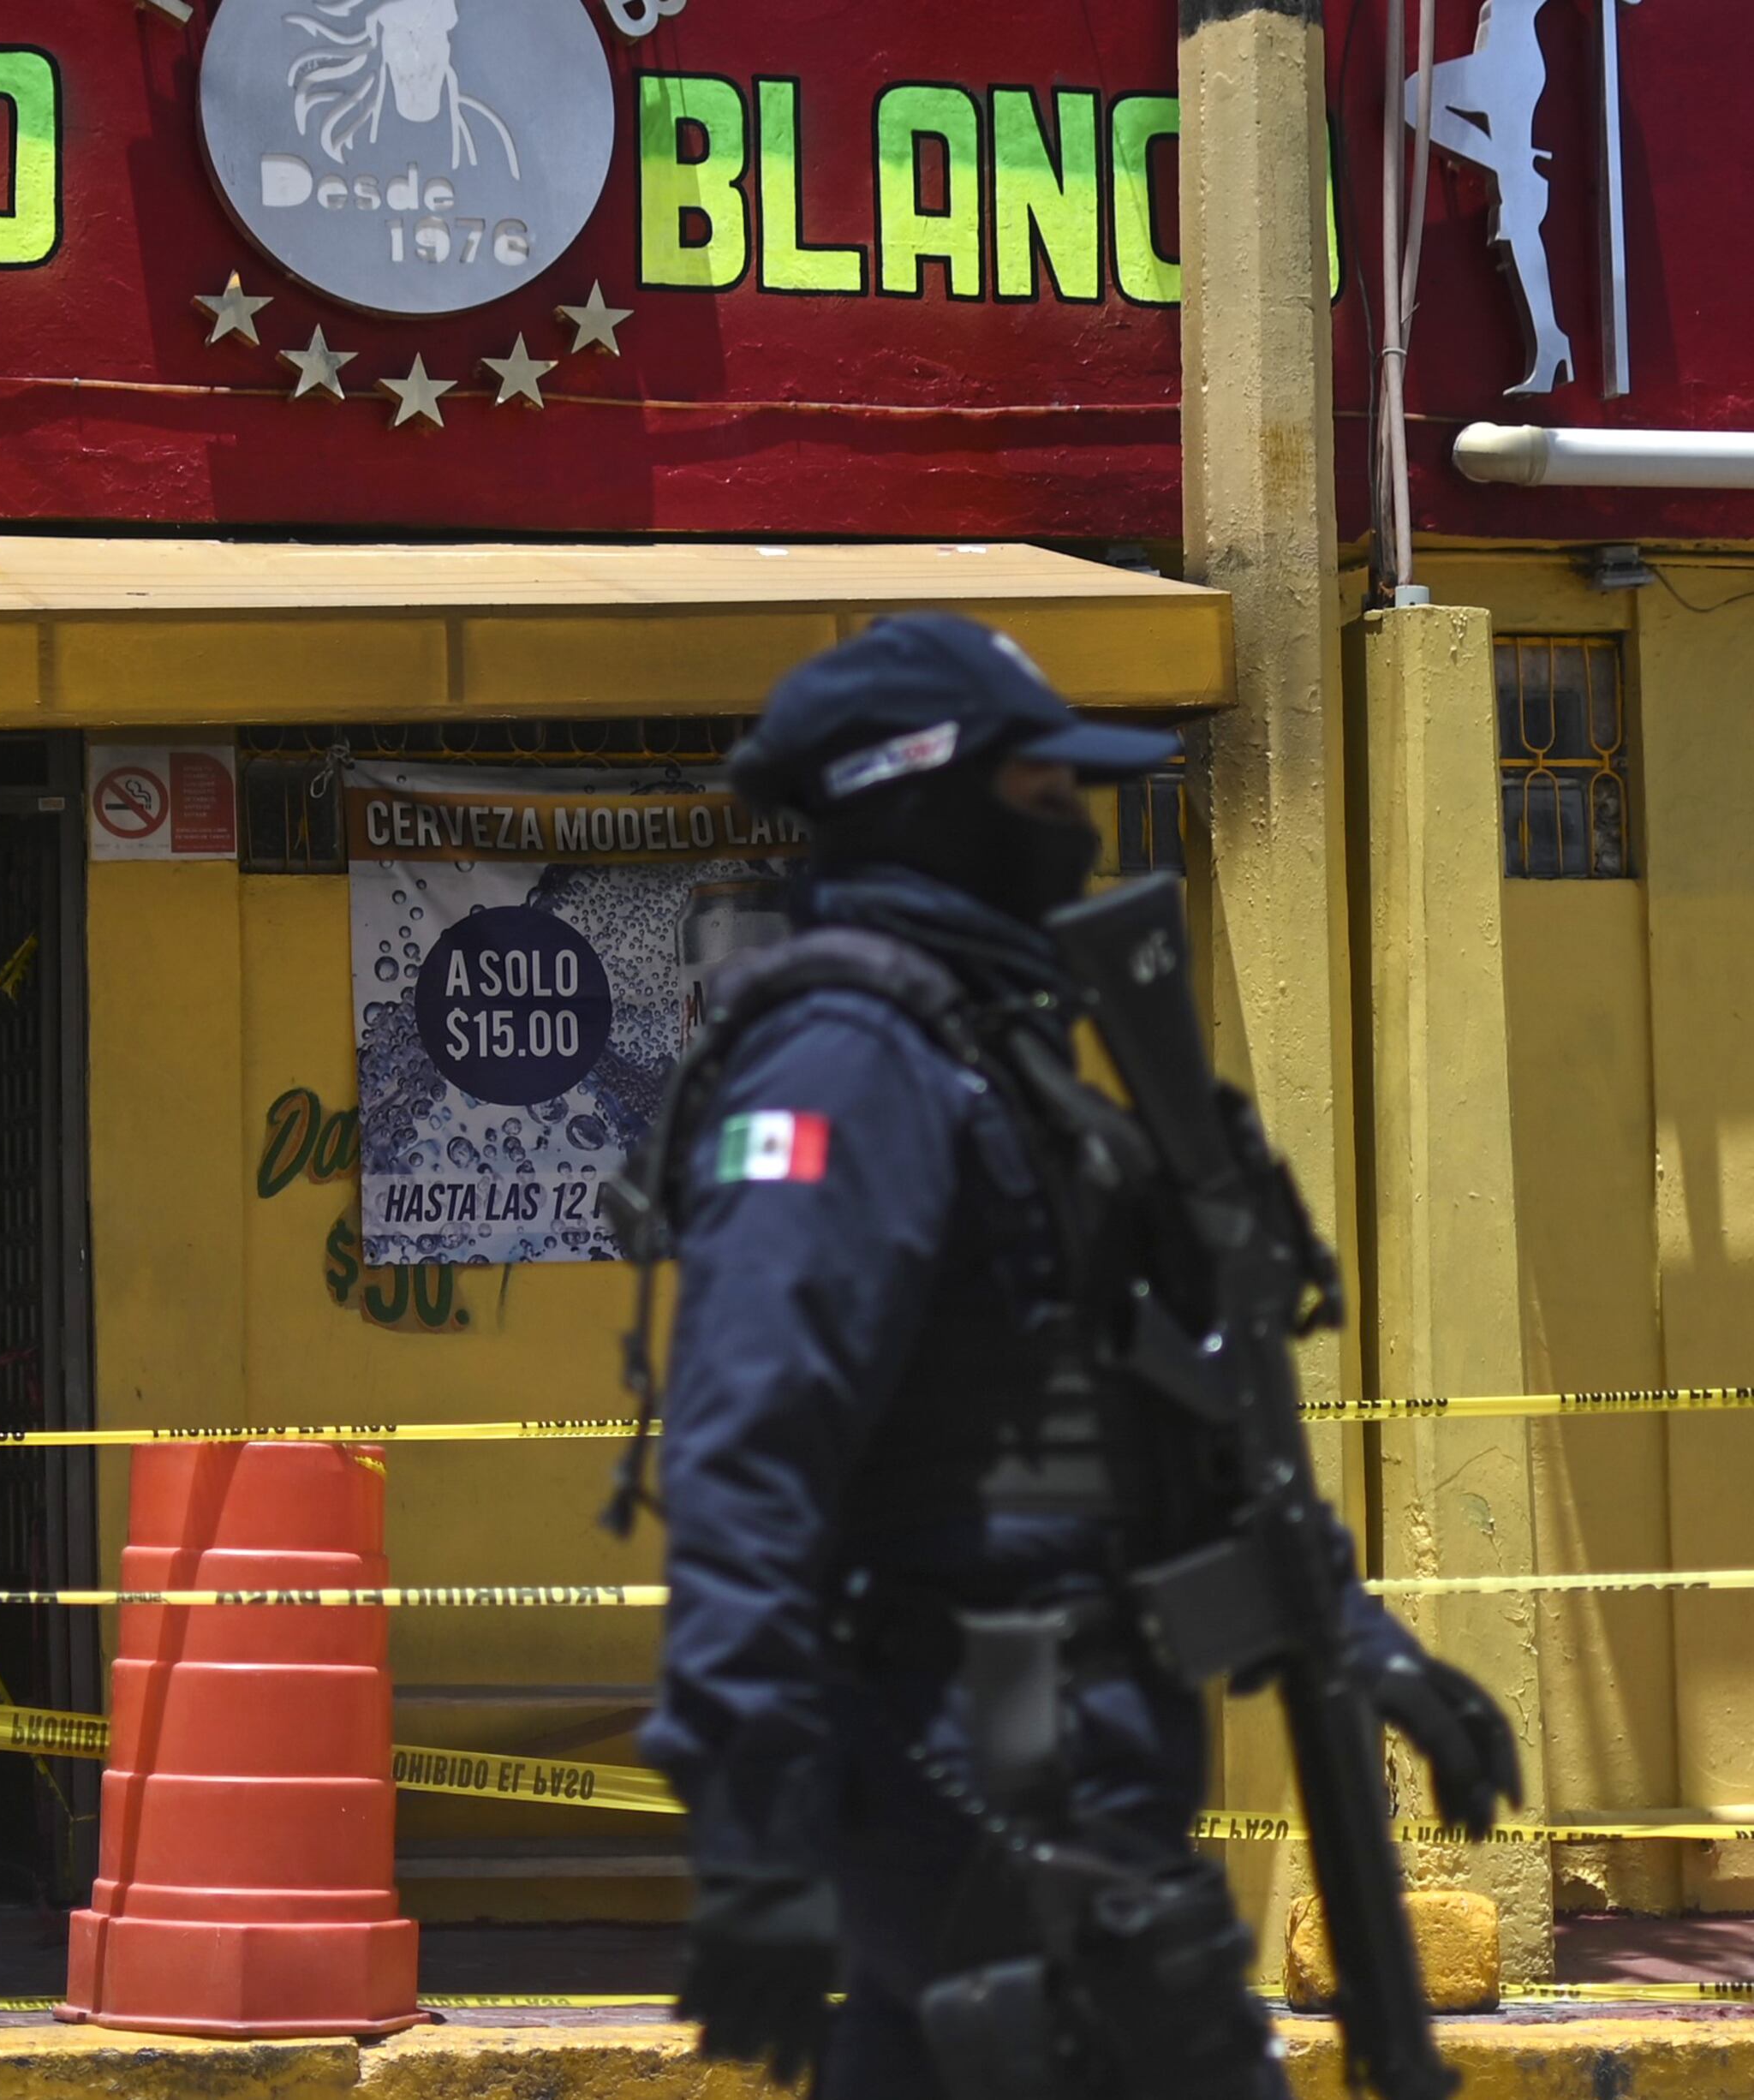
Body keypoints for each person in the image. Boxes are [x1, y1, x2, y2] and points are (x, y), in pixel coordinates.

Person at [630, 615, 1521, 2097]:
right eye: (1044, 792)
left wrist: (1361, 1649)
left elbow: (1168, 1419)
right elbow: (746, 1448)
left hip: (1044, 1754)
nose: (1081, 824)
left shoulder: (1006, 1058)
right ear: (925, 795)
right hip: (981, 1763)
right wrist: (751, 1850)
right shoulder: (854, 1052)